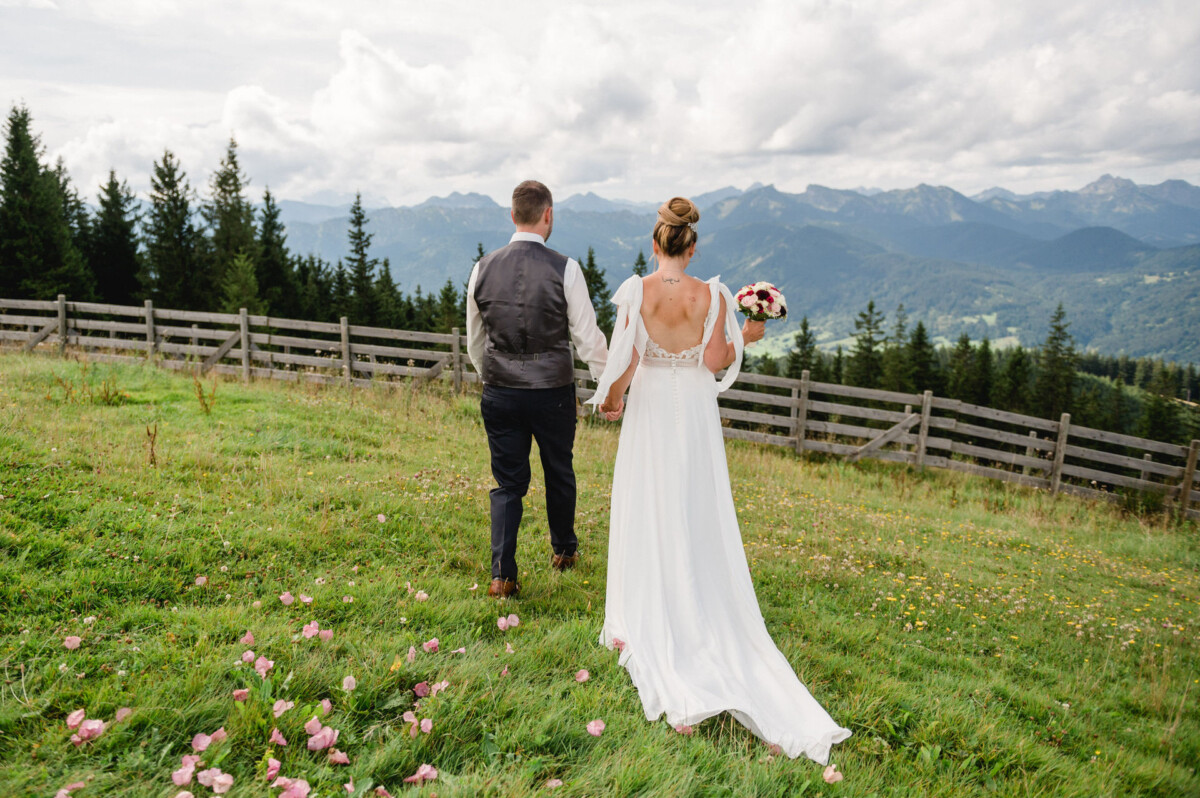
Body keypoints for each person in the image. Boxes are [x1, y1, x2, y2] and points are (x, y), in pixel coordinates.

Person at [589, 197, 852, 763]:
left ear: (657, 244)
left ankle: (650, 610)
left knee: (648, 501)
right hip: (696, 408)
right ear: (692, 245)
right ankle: (700, 597)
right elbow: (713, 361)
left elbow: (628, 357)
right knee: (695, 504)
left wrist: (612, 399)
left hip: (653, 404)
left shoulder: (637, 291)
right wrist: (746, 341)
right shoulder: (711, 294)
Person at [466, 180, 609, 598]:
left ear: (512, 216)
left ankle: (502, 576)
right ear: (548, 215)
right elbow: (587, 338)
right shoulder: (566, 267)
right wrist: (610, 387)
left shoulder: (481, 267)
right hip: (552, 392)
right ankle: (564, 551)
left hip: (500, 391)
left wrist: (491, 375)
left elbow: (476, 341)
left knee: (507, 482)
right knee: (559, 470)